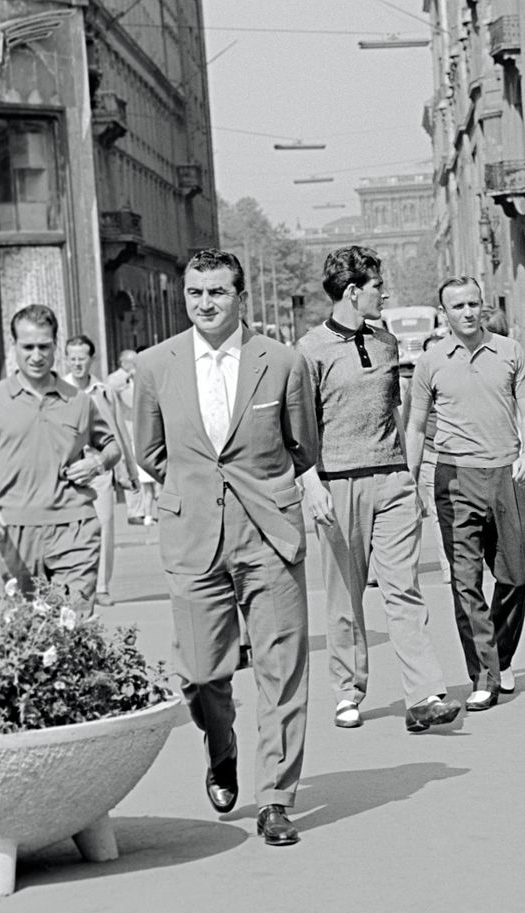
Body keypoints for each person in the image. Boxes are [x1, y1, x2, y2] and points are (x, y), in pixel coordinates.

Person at [133, 248, 318, 846]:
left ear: (240, 296)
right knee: (199, 672)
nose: (205, 303)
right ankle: (221, 744)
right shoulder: (156, 365)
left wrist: (261, 489)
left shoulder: (282, 361)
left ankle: (276, 798)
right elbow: (149, 452)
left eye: (217, 292)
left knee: (281, 668)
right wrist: (195, 491)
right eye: (196, 292)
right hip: (192, 535)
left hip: (269, 534)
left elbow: (303, 446)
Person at [297, 246, 461, 734]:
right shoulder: (308, 351)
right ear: (352, 292)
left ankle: (423, 695)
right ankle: (347, 690)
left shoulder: (387, 342)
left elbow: (396, 411)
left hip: (392, 480)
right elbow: (299, 427)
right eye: (377, 286)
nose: (384, 294)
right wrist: (311, 485)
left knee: (404, 588)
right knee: (345, 597)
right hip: (337, 484)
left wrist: (410, 475)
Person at [405, 276, 525, 712]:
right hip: (455, 478)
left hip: (507, 473)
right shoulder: (430, 362)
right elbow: (415, 426)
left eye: (473, 304)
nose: (467, 312)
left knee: (517, 572)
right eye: (458, 306)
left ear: (482, 306)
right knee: (465, 582)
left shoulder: (510, 351)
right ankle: (483, 674)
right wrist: (410, 483)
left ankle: (498, 655)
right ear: (443, 313)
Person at [0, 305, 120, 615]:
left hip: (75, 526)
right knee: (30, 627)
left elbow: (112, 446)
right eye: (28, 347)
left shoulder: (79, 400)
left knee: (73, 621)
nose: (36, 356)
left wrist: (98, 463)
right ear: (14, 346)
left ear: (55, 346)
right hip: (16, 528)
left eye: (44, 346)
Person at [64, 335, 138, 607]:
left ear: (91, 359)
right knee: (69, 530)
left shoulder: (103, 392)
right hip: (68, 471)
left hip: (99, 467)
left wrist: (128, 471)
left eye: (82, 358)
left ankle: (101, 587)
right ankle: (74, 587)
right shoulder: (58, 390)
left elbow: (118, 433)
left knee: (104, 526)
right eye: (72, 358)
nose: (77, 364)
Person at [107, 349, 145, 525]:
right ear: (123, 363)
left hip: (140, 430)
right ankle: (134, 512)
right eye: (133, 362)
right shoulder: (117, 378)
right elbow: (112, 387)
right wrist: (128, 375)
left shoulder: (136, 377)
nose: (137, 365)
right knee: (131, 471)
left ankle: (144, 510)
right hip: (126, 433)